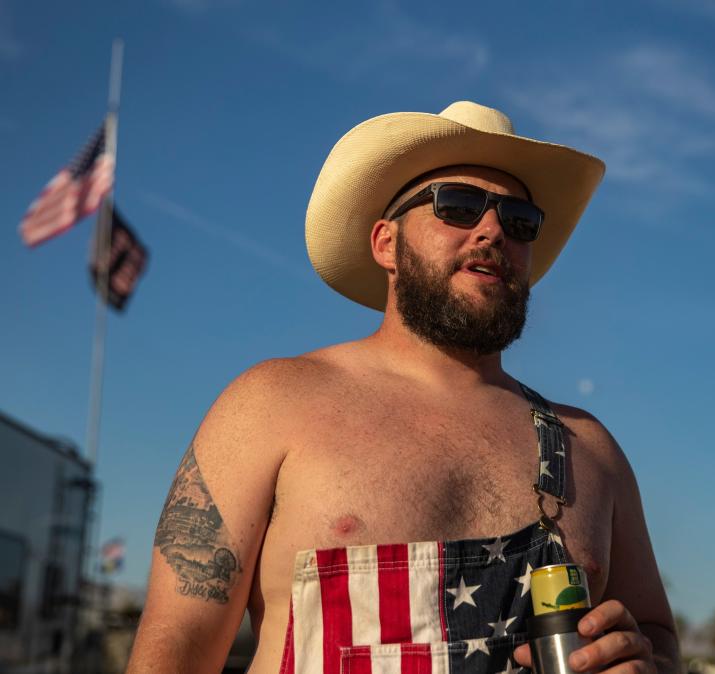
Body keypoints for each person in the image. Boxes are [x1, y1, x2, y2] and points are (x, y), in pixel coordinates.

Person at [126, 101, 680, 674]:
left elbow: (657, 633)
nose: (492, 229)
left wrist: (647, 660)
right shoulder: (272, 404)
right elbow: (177, 643)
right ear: (386, 243)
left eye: (519, 221)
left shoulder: (589, 449)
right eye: (459, 207)